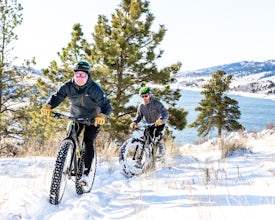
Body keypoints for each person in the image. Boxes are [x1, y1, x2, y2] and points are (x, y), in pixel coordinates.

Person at [41, 61, 112, 185]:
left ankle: (85, 173)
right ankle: (68, 159)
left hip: (93, 119)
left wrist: (103, 115)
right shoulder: (68, 86)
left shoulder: (94, 88)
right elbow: (57, 96)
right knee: (70, 136)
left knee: (87, 142)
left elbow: (106, 104)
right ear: (74, 74)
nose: (80, 78)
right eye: (78, 75)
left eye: (83, 75)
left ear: (88, 76)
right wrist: (48, 105)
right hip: (76, 117)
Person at [130, 86, 169, 159]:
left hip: (159, 123)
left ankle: (162, 149)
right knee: (146, 138)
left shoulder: (157, 104)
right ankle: (147, 156)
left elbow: (165, 113)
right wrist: (134, 122)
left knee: (157, 134)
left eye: (146, 96)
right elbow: (139, 116)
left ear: (150, 95)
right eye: (142, 96)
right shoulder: (141, 106)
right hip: (149, 124)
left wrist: (161, 120)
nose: (144, 98)